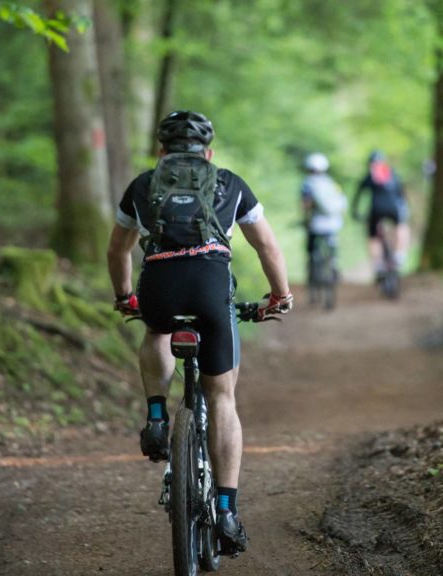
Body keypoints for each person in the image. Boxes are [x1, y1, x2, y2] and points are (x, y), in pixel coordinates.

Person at [106, 110, 293, 555]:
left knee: (155, 329)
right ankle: (226, 510)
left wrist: (125, 295)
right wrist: (279, 295)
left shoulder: (141, 185)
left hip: (160, 287)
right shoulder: (230, 183)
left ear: (160, 152)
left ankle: (156, 415)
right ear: (208, 153)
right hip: (211, 290)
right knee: (222, 398)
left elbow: (118, 249)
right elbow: (265, 244)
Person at [352, 150, 410, 279]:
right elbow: (401, 194)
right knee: (401, 226)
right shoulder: (392, 174)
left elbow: (358, 197)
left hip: (376, 210)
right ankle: (399, 255)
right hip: (394, 209)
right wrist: (404, 209)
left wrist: (355, 212)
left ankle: (377, 264)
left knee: (373, 236)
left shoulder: (369, 176)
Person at [300, 152, 347, 292]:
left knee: (311, 249)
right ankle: (333, 264)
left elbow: (305, 205)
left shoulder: (307, 183)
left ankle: (313, 270)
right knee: (332, 244)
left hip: (316, 224)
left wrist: (305, 219)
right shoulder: (332, 183)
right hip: (334, 223)